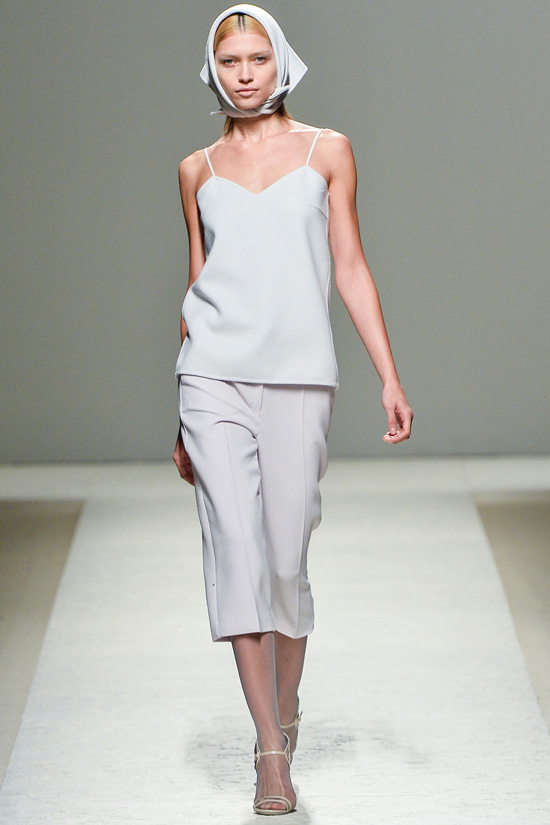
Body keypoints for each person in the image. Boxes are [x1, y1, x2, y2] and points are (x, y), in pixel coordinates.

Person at [173, 3, 413, 815]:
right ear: (213, 70)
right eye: (230, 61)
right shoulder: (196, 168)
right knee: (236, 553)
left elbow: (350, 264)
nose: (245, 74)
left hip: (299, 377)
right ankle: (270, 748)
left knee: (284, 560)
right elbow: (197, 285)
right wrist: (179, 415)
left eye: (257, 58)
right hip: (211, 378)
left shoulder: (327, 151)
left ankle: (285, 705)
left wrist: (388, 375)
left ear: (281, 62)